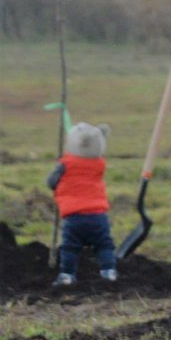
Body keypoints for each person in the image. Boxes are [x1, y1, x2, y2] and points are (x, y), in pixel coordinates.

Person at [46, 122, 116, 287]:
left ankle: (67, 276)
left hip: (74, 217)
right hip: (99, 216)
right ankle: (109, 273)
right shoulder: (99, 164)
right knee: (104, 245)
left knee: (70, 247)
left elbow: (50, 182)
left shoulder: (65, 164)